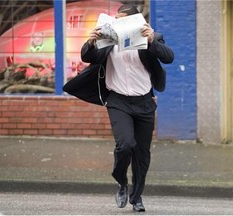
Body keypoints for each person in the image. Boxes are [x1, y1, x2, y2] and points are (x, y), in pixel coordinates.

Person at [81, 4, 174, 212]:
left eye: (122, 19)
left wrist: (151, 41)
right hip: (118, 101)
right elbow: (87, 57)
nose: (117, 23)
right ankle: (121, 181)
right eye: (116, 19)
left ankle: (137, 197)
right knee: (125, 145)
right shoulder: (108, 41)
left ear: (134, 21)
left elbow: (169, 57)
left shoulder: (151, 37)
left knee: (142, 154)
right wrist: (91, 41)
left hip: (144, 103)